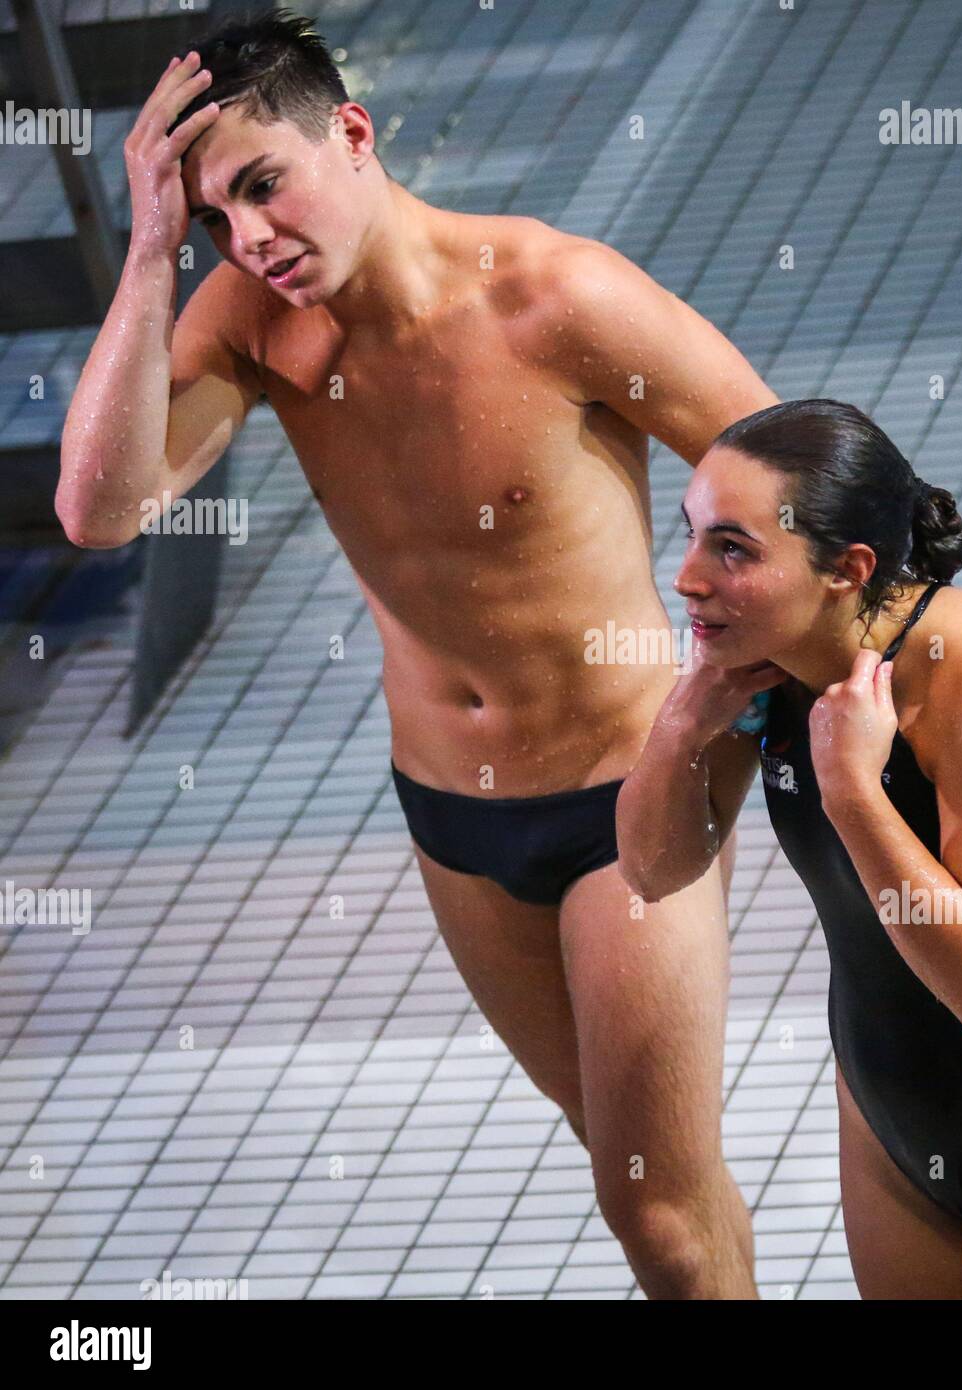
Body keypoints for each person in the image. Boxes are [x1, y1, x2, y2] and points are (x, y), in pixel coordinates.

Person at [56, 9, 780, 1298]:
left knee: (655, 1209)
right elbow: (102, 509)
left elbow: (786, 474)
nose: (253, 239)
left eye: (262, 187)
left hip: (631, 799)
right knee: (641, 1179)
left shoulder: (554, 296)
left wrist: (735, 692)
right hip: (452, 816)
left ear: (351, 131)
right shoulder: (252, 324)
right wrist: (152, 254)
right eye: (216, 216)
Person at [616, 398, 962, 1299]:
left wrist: (851, 793)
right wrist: (682, 723)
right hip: (885, 1124)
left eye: (733, 549)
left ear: (847, 568)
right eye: (688, 537)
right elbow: (652, 869)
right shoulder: (763, 661)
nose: (687, 579)